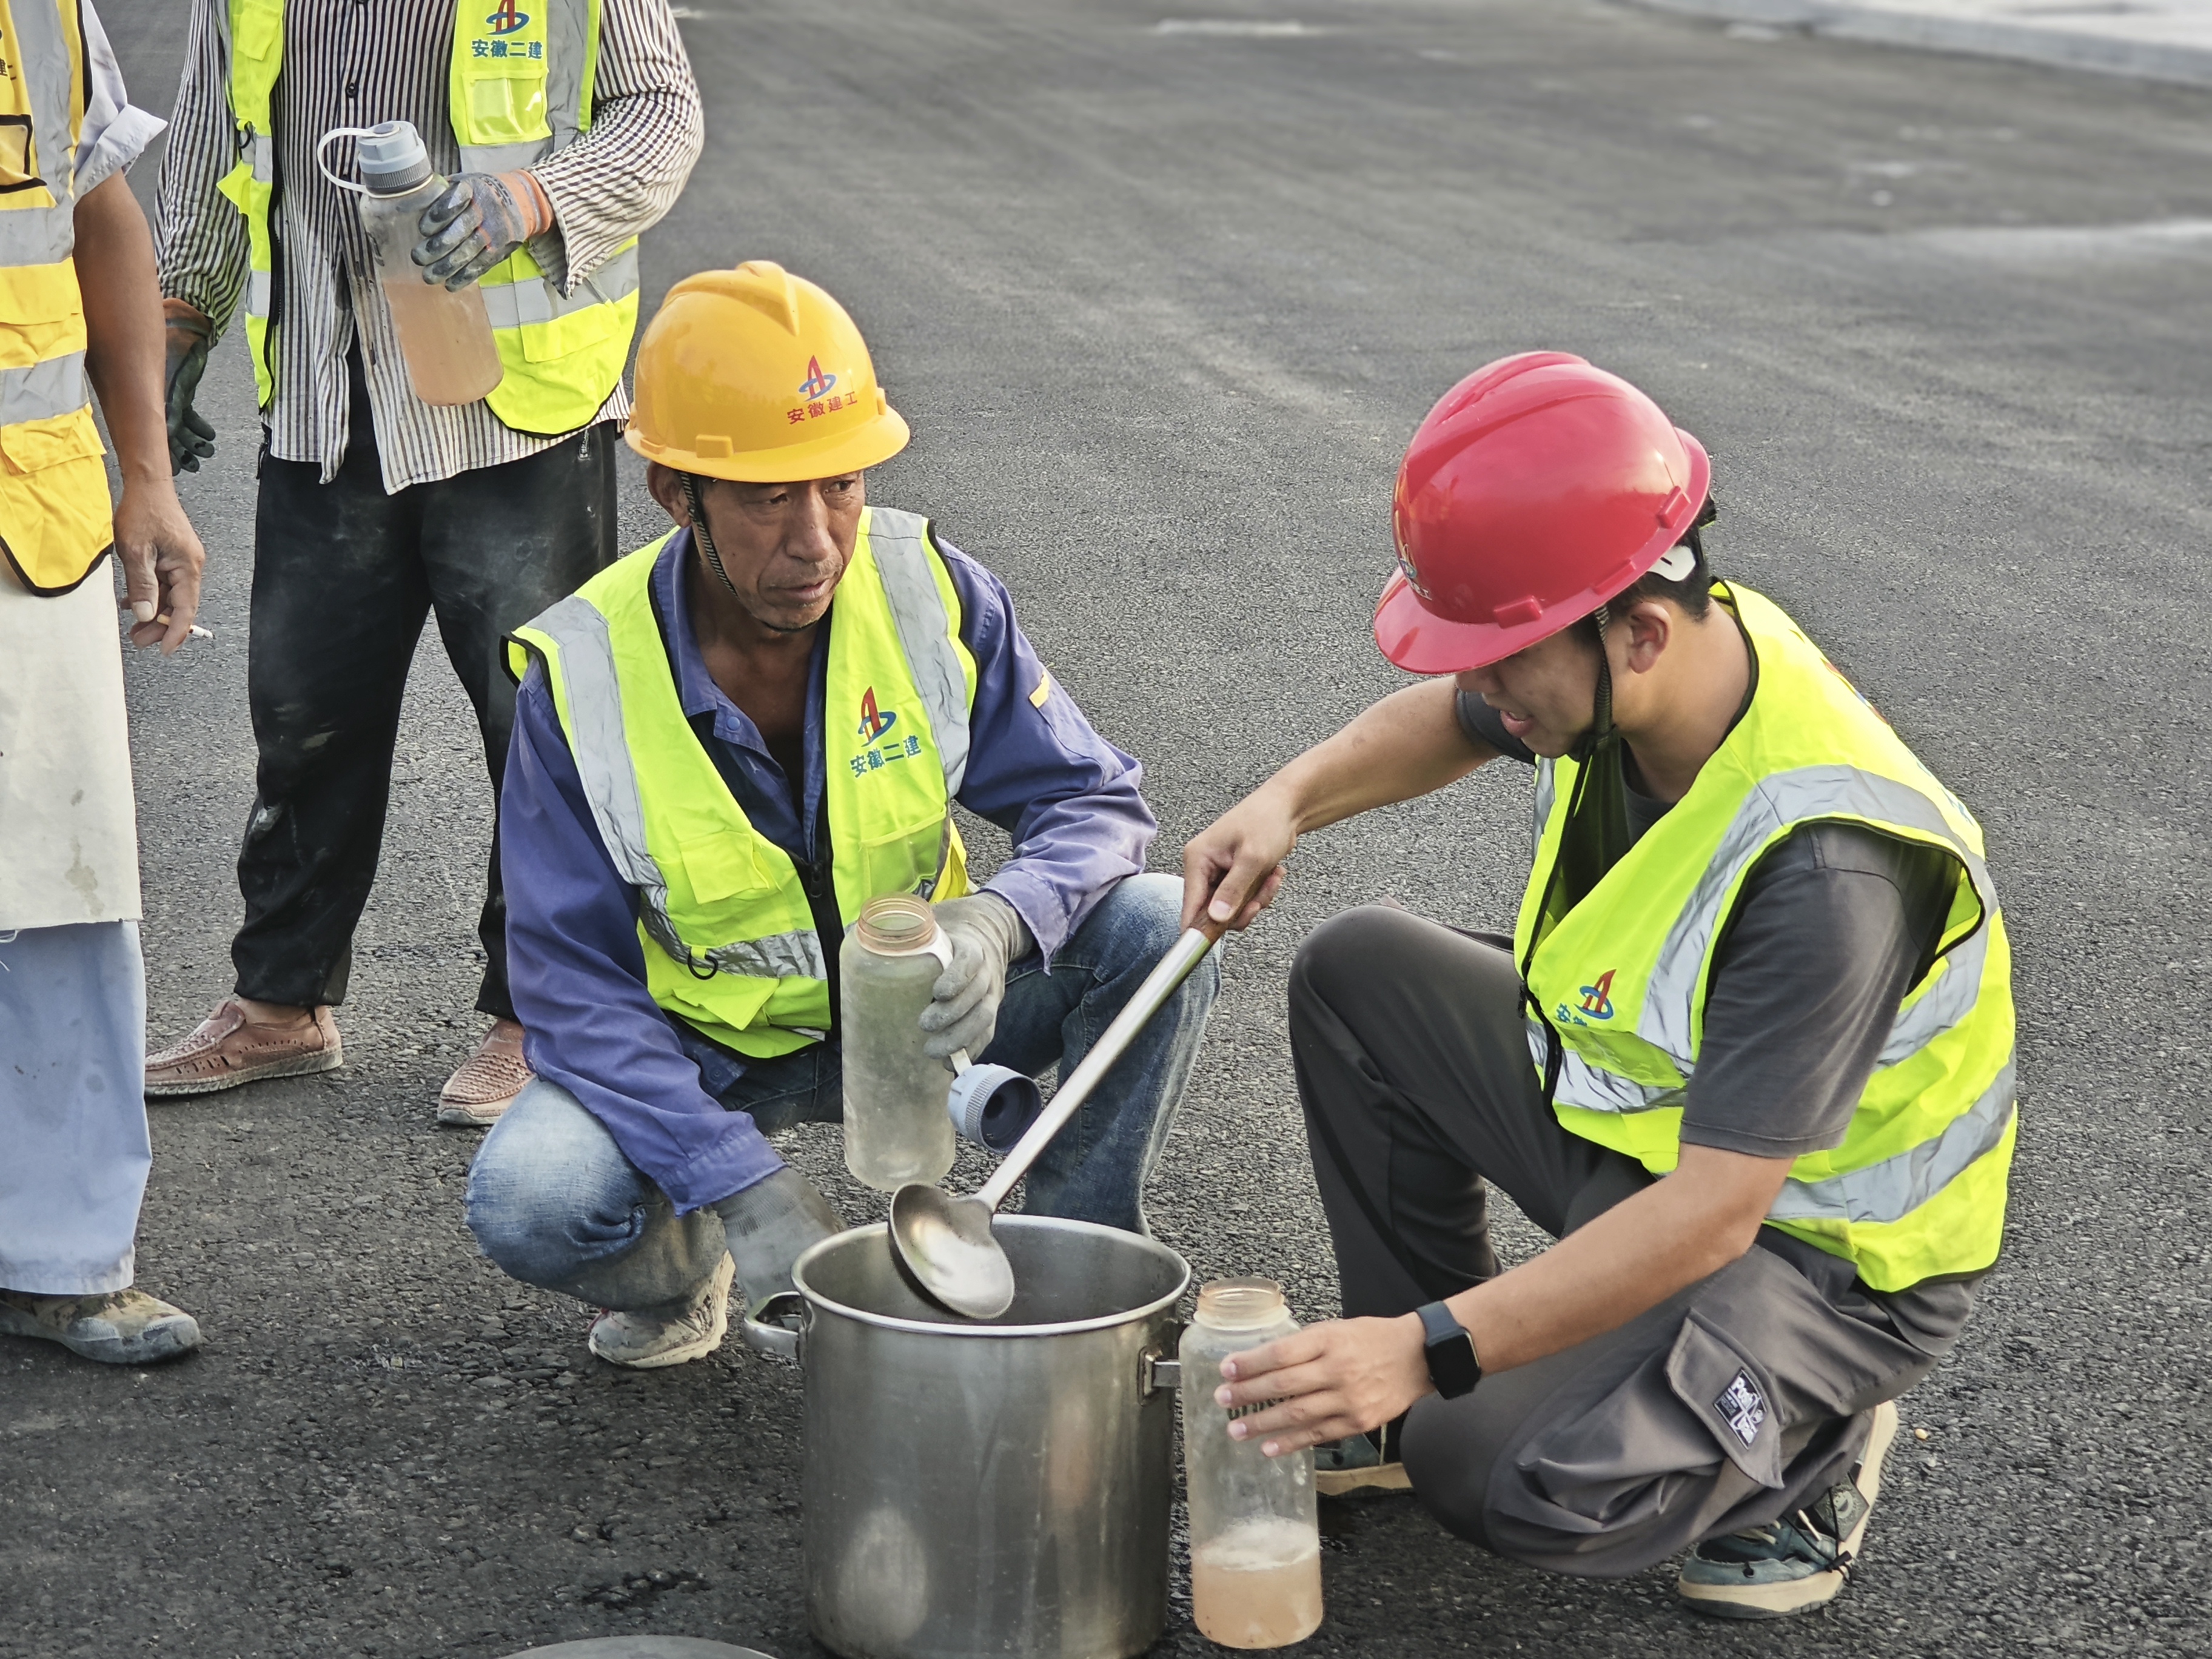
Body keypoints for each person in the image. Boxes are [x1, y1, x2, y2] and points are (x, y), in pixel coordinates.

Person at [1181, 352, 2015, 1618]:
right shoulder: (1649, 659)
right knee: (1360, 978)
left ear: (1638, 636)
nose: (1481, 688)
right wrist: (1285, 801)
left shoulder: (1827, 869)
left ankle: (1812, 1446)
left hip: (1813, 1262)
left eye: (1503, 659)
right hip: (1651, 1142)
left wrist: (1430, 1353)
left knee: (1494, 1471)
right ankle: (1395, 1391)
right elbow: (1452, 721)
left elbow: (1715, 1216)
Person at [463, 261, 1218, 1369]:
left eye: (842, 486)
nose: (816, 540)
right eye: (769, 498)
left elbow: (1091, 802)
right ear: (676, 494)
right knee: (533, 1200)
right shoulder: (583, 674)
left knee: (1161, 926)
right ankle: (692, 1264)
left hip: (922, 1012)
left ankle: (1075, 1263)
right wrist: (740, 1188)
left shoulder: (927, 592)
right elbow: (570, 984)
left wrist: (1002, 921)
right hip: (713, 1049)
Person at [141, 0, 703, 1126]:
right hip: (326, 393)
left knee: (540, 727)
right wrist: (180, 318)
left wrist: (532, 197)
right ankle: (281, 999)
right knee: (303, 719)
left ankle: (542, 1012)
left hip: (509, 407)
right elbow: (212, 142)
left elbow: (661, 114)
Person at [0, 0, 212, 1364]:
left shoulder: (44, 12)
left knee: (68, 893)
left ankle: (65, 1253)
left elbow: (99, 214)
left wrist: (148, 473)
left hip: (35, 515)